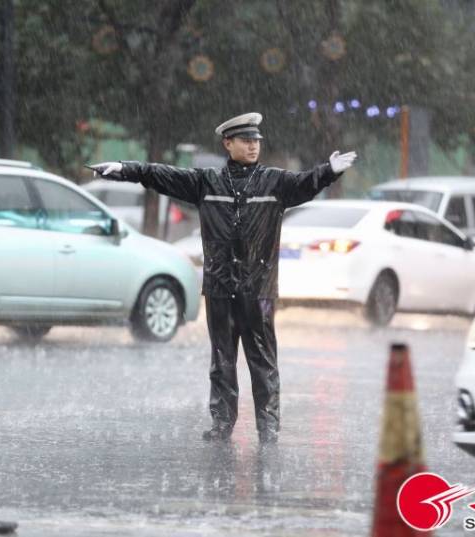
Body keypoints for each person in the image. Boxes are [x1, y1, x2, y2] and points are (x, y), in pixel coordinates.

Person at [90, 112, 356, 443]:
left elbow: (305, 183)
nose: (253, 146)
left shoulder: (274, 182)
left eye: (256, 141)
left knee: (263, 363)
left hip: (258, 290)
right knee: (222, 362)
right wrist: (124, 169)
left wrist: (328, 172)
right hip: (219, 288)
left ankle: (268, 426)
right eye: (246, 141)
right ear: (227, 143)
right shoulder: (208, 182)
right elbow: (160, 176)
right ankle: (222, 423)